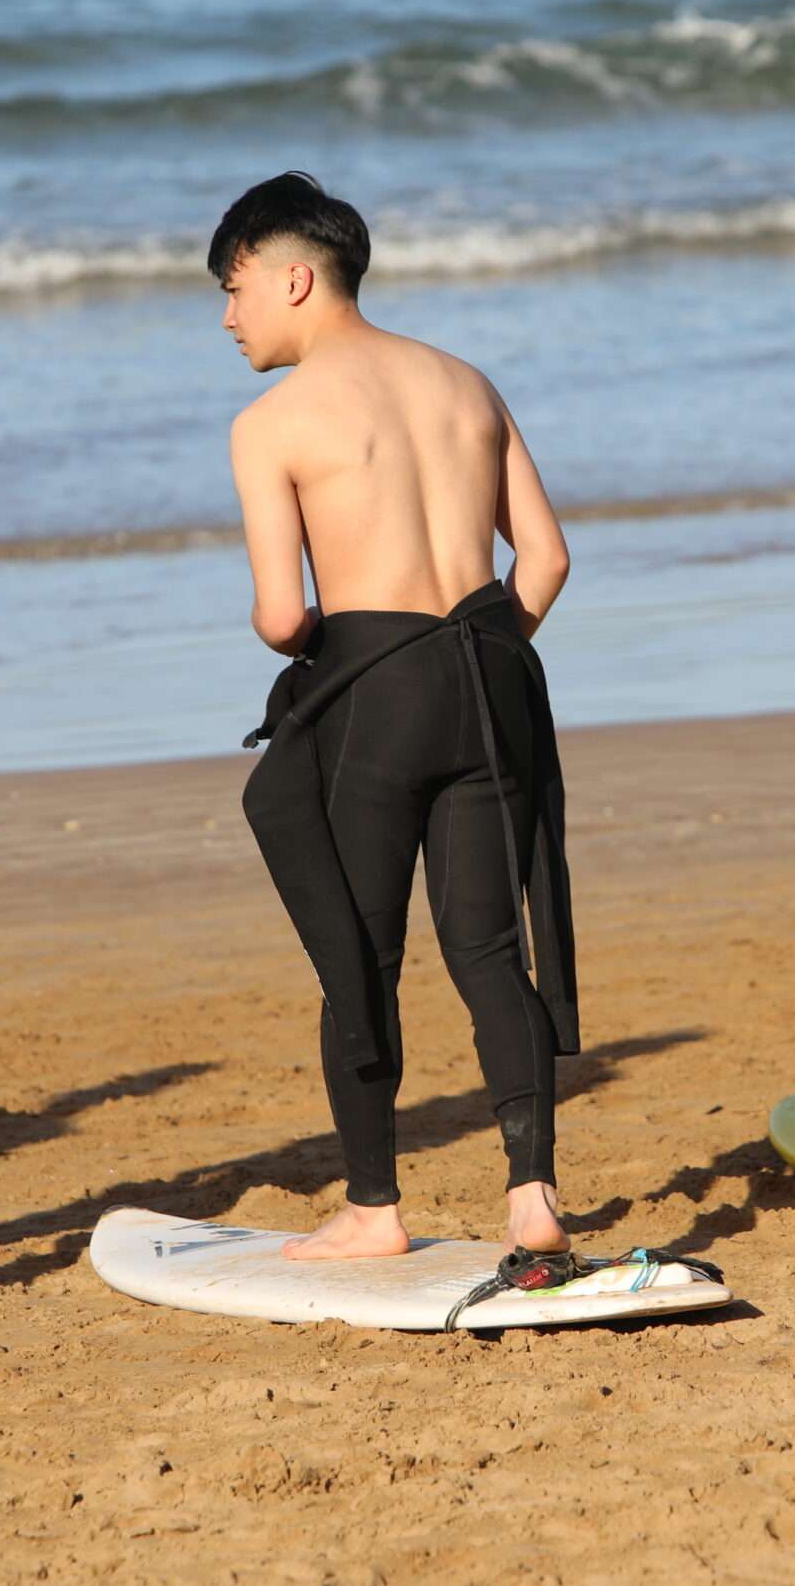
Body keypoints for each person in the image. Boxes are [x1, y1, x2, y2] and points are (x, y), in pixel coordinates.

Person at [216, 172, 580, 1261]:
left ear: (294, 278)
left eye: (234, 289)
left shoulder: (273, 422)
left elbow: (283, 617)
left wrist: (362, 650)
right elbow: (548, 561)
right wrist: (475, 655)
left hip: (373, 692)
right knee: (486, 947)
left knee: (360, 958)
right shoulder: (467, 384)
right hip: (487, 681)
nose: (228, 318)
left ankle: (374, 1209)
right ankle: (534, 1199)